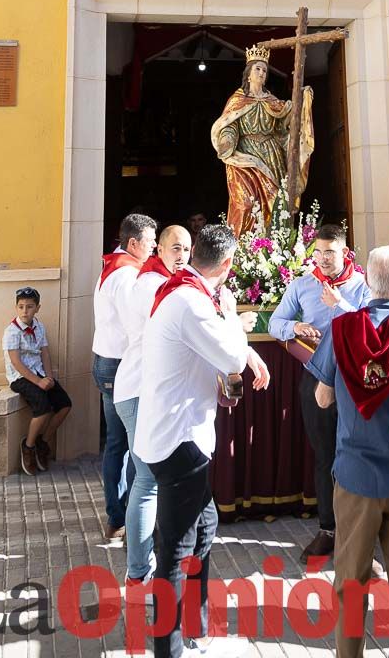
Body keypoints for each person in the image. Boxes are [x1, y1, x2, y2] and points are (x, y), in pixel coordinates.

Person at [134, 224, 270, 658]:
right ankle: (168, 647)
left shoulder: (186, 292)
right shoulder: (193, 301)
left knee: (206, 524)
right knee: (174, 552)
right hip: (179, 441)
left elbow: (209, 357)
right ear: (227, 266)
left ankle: (196, 621)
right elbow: (229, 355)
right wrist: (235, 318)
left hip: (177, 433)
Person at [308, 246, 389, 658]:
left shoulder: (341, 330)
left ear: (367, 283)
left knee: (349, 581)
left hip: (356, 476)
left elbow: (323, 398)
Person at [269, 223, 372, 559]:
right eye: (319, 252)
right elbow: (274, 322)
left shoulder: (361, 286)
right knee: (324, 455)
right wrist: (294, 326)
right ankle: (328, 529)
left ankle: (358, 532)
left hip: (354, 381)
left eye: (330, 252)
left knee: (356, 454)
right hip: (315, 379)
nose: (324, 259)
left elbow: (374, 326)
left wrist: (342, 305)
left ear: (345, 253)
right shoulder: (302, 285)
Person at [114, 224, 192, 586]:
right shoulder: (152, 285)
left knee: (149, 481)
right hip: (139, 389)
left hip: (141, 388)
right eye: (175, 248)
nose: (182, 256)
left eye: (187, 249)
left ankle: (144, 565)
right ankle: (138, 574)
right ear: (158, 249)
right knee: (146, 482)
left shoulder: (154, 280)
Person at [92, 212, 156, 539]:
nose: (155, 247)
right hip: (120, 366)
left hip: (104, 360)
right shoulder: (128, 276)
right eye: (150, 242)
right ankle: (127, 516)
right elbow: (138, 324)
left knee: (117, 444)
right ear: (133, 243)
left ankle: (116, 517)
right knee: (131, 443)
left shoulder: (111, 267)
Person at [211, 44, 313, 238]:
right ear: (248, 73)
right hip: (244, 158)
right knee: (245, 204)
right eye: (257, 68)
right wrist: (227, 140)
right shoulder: (237, 100)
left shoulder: (272, 101)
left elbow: (286, 126)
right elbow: (230, 125)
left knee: (276, 204)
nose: (261, 73)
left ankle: (272, 250)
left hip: (270, 156)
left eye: (265, 70)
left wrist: (302, 98)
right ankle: (243, 249)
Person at [3, 286, 72, 476]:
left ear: (37, 308)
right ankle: (29, 446)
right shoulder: (12, 332)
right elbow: (16, 362)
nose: (25, 311)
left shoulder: (39, 327)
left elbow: (45, 353)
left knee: (64, 404)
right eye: (21, 307)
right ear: (16, 308)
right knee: (42, 408)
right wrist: (38, 382)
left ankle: (44, 441)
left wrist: (48, 377)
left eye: (30, 307)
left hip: (40, 373)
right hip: (21, 377)